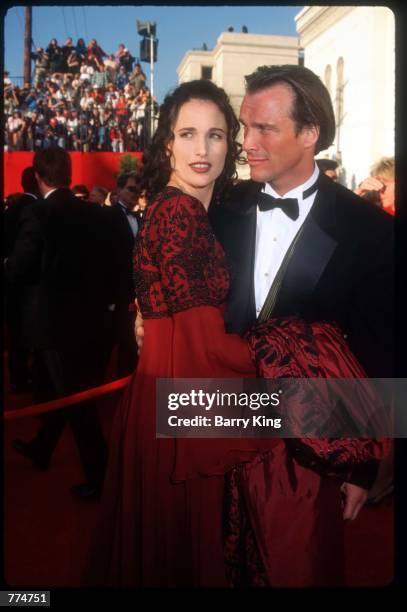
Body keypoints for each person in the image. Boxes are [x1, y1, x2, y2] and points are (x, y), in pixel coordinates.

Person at [88, 79, 387, 587]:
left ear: (310, 131)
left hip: (305, 453)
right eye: (243, 128)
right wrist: (148, 326)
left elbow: (381, 351)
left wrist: (365, 463)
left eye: (261, 129)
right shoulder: (217, 209)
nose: (247, 143)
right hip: (207, 427)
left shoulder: (371, 229)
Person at [6, 148, 115, 499]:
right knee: (59, 392)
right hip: (93, 320)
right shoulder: (95, 214)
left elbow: (21, 267)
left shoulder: (39, 213)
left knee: (78, 403)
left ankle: (100, 479)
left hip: (56, 323)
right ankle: (42, 447)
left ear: (38, 177)